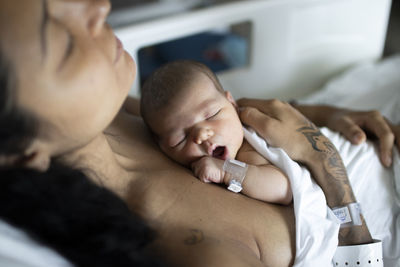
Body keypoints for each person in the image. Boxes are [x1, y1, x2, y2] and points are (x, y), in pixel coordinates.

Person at [0, 0, 399, 266]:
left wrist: (315, 114)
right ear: (23, 153)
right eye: (65, 45)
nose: (99, 6)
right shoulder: (195, 248)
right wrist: (327, 166)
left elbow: (229, 115)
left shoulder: (117, 115)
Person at [140, 60, 292, 205]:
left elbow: (284, 190)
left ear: (232, 103)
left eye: (212, 114)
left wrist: (227, 172)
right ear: (163, 149)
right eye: (181, 139)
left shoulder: (249, 148)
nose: (201, 135)